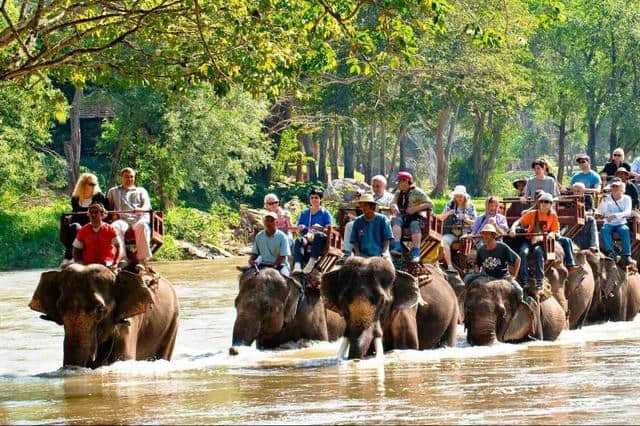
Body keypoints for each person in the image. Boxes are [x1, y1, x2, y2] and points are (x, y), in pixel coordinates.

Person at [509, 192, 580, 291]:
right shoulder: (532, 214)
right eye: (541, 201)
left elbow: (555, 231)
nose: (543, 204)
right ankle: (524, 280)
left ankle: (539, 280)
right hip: (529, 240)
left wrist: (549, 235)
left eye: (546, 202)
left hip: (543, 242)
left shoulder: (553, 216)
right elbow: (518, 222)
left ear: (550, 204)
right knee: (523, 252)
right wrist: (513, 229)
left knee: (539, 252)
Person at [61, 173, 110, 267]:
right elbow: (74, 213)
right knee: (74, 227)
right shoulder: (75, 198)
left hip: (94, 224)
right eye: (91, 184)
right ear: (83, 184)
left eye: (95, 184)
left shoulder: (99, 196)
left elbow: (105, 211)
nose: (93, 186)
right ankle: (69, 258)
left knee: (88, 228)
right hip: (79, 224)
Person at [107, 167, 153, 265]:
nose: (129, 179)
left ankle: (142, 259)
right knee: (115, 226)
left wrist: (140, 209)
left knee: (143, 226)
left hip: (138, 219)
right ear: (121, 178)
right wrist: (112, 215)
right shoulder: (113, 191)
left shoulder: (141, 191)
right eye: (126, 177)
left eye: (132, 177)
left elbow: (147, 206)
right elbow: (108, 209)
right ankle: (122, 258)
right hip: (122, 220)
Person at [390, 171, 433, 263]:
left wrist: (415, 208)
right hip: (402, 217)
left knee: (414, 224)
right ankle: (397, 247)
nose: (397, 184)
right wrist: (394, 206)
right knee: (396, 220)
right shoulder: (398, 193)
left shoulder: (417, 192)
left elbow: (430, 204)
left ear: (406, 181)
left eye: (399, 181)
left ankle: (416, 252)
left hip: (415, 217)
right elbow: (393, 202)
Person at [292, 189, 334, 273]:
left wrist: (320, 228)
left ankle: (311, 262)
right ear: (309, 199)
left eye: (316, 197)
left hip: (321, 239)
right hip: (307, 238)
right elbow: (298, 231)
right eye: (312, 198)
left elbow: (329, 230)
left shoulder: (325, 213)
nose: (314, 199)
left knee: (318, 234)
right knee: (298, 240)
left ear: (320, 199)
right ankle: (297, 265)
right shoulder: (304, 213)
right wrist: (300, 228)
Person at [438, 185, 476, 272]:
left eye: (460, 196)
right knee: (444, 240)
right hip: (452, 232)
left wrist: (466, 219)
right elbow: (440, 218)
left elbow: (475, 222)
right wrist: (448, 214)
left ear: (465, 196)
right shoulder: (450, 204)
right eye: (457, 196)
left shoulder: (471, 206)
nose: (458, 198)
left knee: (465, 239)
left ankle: (465, 265)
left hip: (466, 231)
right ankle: (449, 265)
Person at [72, 203, 123, 267]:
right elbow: (76, 249)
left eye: (96, 212)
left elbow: (119, 247)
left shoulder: (110, 230)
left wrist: (116, 263)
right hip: (88, 266)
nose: (93, 215)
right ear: (88, 214)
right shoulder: (83, 231)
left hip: (107, 265)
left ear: (102, 214)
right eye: (91, 212)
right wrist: (79, 264)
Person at [598, 179, 633, 266]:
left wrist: (615, 215)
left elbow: (628, 212)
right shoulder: (606, 198)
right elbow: (601, 212)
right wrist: (604, 201)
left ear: (622, 189)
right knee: (604, 229)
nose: (614, 188)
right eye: (613, 186)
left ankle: (626, 254)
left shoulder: (627, 198)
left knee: (625, 230)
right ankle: (611, 252)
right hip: (609, 223)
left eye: (616, 186)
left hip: (621, 222)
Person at [350, 193, 394, 260]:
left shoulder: (383, 219)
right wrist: (357, 253)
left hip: (380, 254)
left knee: (389, 267)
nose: (363, 208)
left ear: (372, 206)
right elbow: (354, 240)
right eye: (361, 206)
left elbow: (387, 238)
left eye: (365, 205)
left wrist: (385, 252)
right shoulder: (358, 221)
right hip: (362, 254)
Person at [248, 212, 291, 277]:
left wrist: (273, 268)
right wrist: (251, 260)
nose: (268, 223)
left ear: (276, 222)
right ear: (264, 222)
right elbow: (255, 253)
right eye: (267, 221)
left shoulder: (282, 237)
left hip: (280, 265)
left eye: (271, 221)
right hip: (263, 264)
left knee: (285, 279)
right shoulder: (259, 236)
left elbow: (282, 257)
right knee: (247, 277)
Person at [570, 182, 599, 252]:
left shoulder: (588, 198)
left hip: (585, 217)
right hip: (571, 219)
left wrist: (584, 213)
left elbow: (591, 211)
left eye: (578, 191)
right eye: (575, 191)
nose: (576, 193)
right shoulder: (569, 198)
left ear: (583, 191)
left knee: (592, 220)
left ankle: (594, 246)